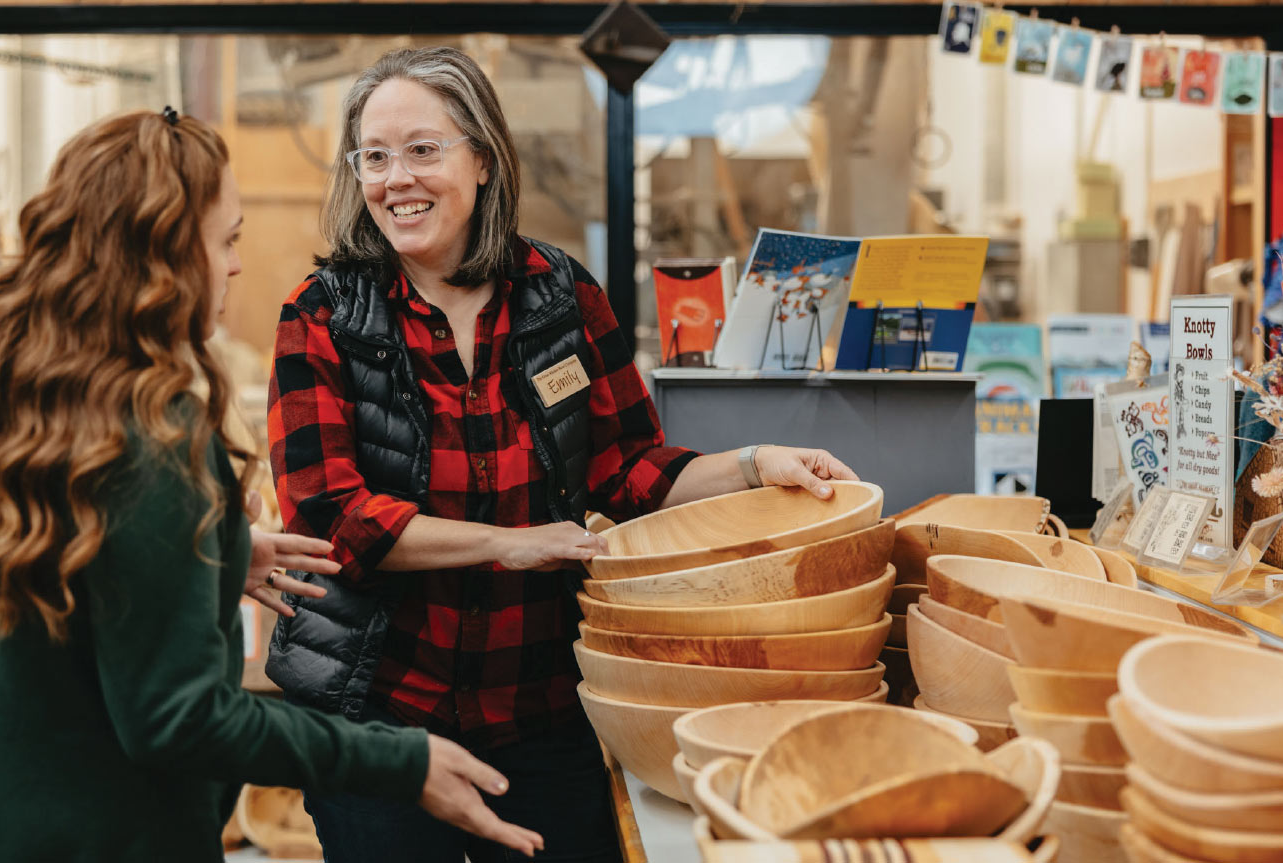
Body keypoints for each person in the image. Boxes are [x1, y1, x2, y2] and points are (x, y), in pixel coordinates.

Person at [266, 47, 859, 862]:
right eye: (375, 156)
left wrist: (755, 463)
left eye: (423, 150)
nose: (395, 178)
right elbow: (332, 520)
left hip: (539, 706)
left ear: (482, 158)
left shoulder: (559, 293)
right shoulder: (324, 314)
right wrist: (515, 545)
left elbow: (630, 467)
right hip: (379, 716)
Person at [0, 108, 544, 863]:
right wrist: (401, 760)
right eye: (228, 239)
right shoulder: (150, 432)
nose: (237, 265)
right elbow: (179, 719)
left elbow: (0, 590)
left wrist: (204, 555)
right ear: (167, 255)